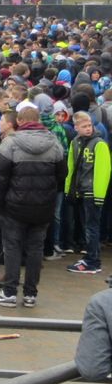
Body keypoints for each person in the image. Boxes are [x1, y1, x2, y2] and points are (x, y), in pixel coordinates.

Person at [0, 101, 66, 307]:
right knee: (35, 249)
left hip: (15, 205)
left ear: (19, 121)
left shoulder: (10, 143)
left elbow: (1, 176)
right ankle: (31, 294)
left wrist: (0, 200)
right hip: (43, 206)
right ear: (38, 120)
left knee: (12, 247)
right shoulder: (54, 142)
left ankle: (9, 292)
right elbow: (61, 175)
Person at [65, 110, 109, 275]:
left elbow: (103, 170)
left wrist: (99, 195)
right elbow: (71, 168)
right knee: (87, 226)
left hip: (92, 192)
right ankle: (90, 256)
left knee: (92, 227)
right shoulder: (75, 143)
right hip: (80, 191)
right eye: (84, 126)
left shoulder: (99, 144)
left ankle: (93, 261)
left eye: (89, 125)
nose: (88, 128)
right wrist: (69, 189)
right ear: (76, 127)